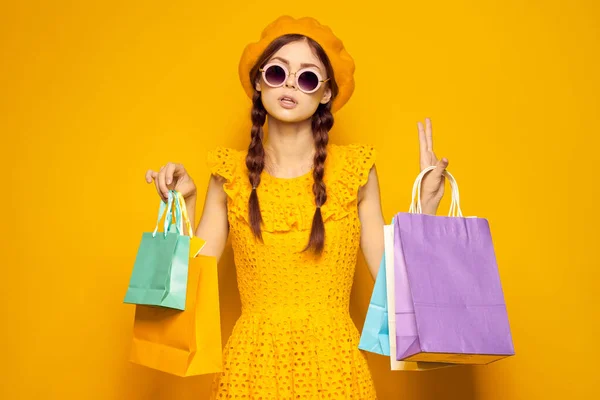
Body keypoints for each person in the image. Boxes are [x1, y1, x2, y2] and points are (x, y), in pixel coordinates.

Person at [145, 15, 449, 400]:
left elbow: (392, 281)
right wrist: (183, 204)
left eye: (306, 77)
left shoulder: (354, 172)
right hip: (251, 368)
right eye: (276, 72)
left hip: (334, 367)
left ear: (325, 94)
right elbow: (190, 280)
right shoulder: (230, 175)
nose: (290, 84)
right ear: (258, 82)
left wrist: (424, 211)